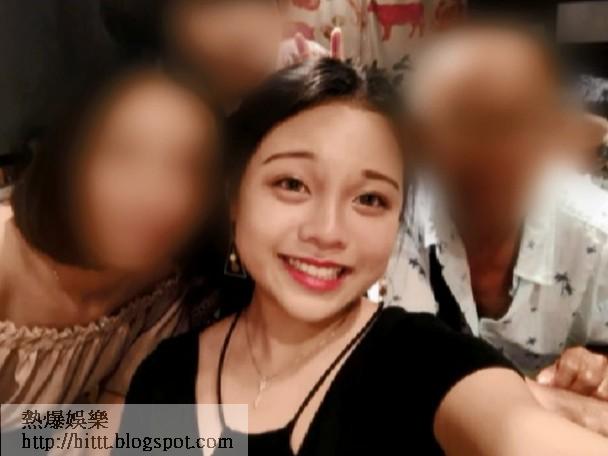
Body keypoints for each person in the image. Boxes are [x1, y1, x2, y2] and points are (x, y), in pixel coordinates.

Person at [123, 59, 608, 455]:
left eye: (370, 199)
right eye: (292, 184)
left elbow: (511, 430)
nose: (327, 232)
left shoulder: (418, 364)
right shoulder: (168, 375)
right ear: (234, 194)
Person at [387, 22, 608, 420]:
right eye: (460, 123)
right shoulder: (396, 213)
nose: (484, 152)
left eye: (508, 123)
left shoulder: (597, 233)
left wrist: (598, 370)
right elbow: (406, 370)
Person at [0, 63, 222, 407]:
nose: (154, 197)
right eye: (122, 154)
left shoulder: (163, 282)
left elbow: (115, 409)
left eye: (188, 167)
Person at [102, 0, 343, 111]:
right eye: (214, 6)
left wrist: (335, 105)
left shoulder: (301, 64)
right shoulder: (149, 114)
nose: (246, 26)